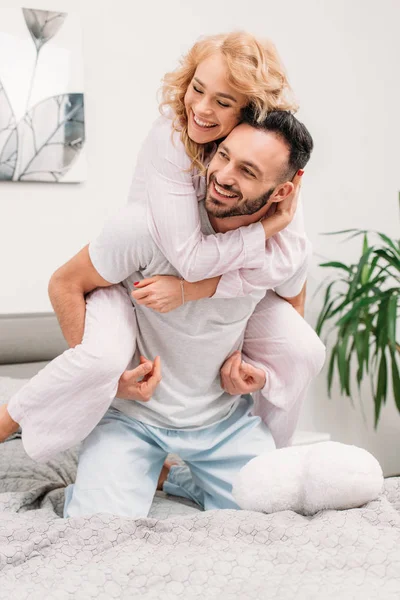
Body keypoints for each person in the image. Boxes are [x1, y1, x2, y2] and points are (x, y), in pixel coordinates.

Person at [0, 32, 319, 463]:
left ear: (251, 114)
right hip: (138, 270)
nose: (202, 109)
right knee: (99, 361)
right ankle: (9, 419)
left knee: (303, 349)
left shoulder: (272, 177)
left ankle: (269, 459)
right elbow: (188, 261)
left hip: (206, 285)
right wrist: (108, 379)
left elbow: (288, 268)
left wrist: (260, 360)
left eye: (223, 103)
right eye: (198, 89)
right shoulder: (171, 143)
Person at [58, 109, 324, 518]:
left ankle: (177, 478)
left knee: (277, 518)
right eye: (223, 155)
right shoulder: (146, 227)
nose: (222, 175)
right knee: (97, 536)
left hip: (224, 422)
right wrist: (102, 376)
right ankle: (145, 470)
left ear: (283, 192)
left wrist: (252, 370)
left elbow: (291, 311)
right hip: (132, 418)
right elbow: (66, 283)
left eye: (247, 171)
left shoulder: (283, 251)